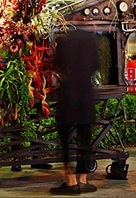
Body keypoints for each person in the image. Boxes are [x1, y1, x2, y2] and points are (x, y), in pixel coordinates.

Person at [50, 29, 100, 195]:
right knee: (85, 137)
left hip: (69, 93)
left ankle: (70, 180)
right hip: (86, 92)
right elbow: (96, 65)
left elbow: (56, 63)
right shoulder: (91, 40)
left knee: (65, 137)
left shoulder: (64, 40)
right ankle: (83, 180)